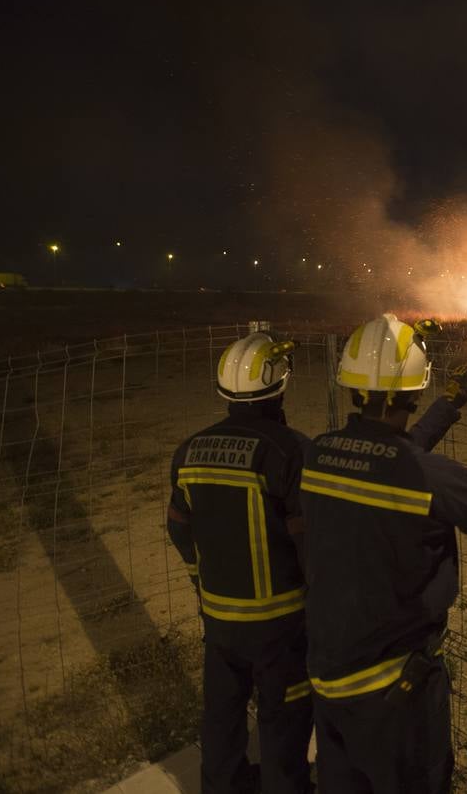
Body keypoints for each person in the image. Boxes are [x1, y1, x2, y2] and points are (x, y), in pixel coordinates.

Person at [299, 313, 467, 793]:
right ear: (412, 391)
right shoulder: (423, 475)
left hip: (327, 673)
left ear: (351, 386)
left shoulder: (319, 454)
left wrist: (451, 405)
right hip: (395, 689)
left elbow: (388, 453)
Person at [167, 327, 314, 794]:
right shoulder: (290, 451)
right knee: (283, 712)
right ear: (279, 384)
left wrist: (200, 582)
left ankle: (223, 784)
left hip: (219, 615)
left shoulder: (189, 450)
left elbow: (179, 526)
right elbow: (306, 539)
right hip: (280, 619)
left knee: (223, 709)